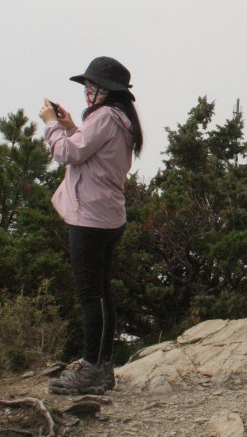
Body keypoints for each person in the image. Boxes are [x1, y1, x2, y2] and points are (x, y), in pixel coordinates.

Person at [38, 56, 144, 394]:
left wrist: (52, 125)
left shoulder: (104, 118)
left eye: (90, 86)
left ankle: (91, 369)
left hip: (91, 219)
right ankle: (103, 366)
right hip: (107, 216)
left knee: (90, 295)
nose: (86, 91)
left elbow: (68, 154)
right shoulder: (120, 119)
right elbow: (89, 150)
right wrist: (70, 125)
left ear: (104, 90)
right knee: (101, 294)